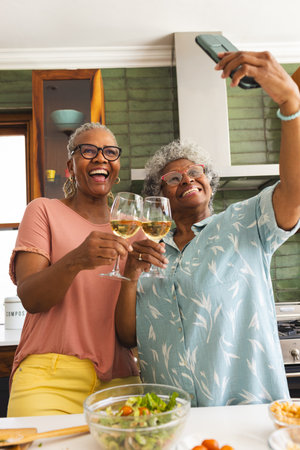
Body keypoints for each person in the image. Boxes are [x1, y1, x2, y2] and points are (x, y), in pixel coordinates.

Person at [115, 51, 300, 407]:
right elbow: (127, 337)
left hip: (246, 409)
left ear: (210, 182)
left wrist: (292, 105)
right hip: (170, 415)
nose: (187, 178)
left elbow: (293, 191)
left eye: (196, 171)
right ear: (159, 196)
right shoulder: (148, 251)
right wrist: (130, 275)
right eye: (173, 178)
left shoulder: (245, 223)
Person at [7, 122, 141, 416]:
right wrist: (76, 260)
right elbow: (30, 297)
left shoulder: (135, 230)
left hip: (120, 380)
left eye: (110, 152)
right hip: (48, 378)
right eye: (88, 150)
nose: (100, 158)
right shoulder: (43, 211)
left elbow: (130, 336)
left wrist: (131, 277)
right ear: (70, 165)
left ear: (116, 166)